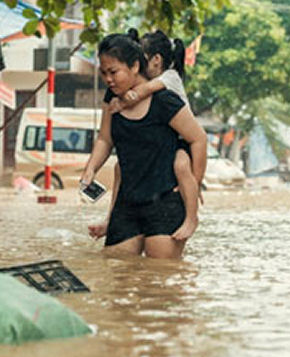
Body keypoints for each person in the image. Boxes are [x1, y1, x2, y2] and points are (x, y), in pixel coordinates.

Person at [80, 33, 206, 259]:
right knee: (116, 273)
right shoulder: (112, 100)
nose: (108, 79)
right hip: (127, 204)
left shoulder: (165, 100)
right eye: (104, 73)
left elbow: (199, 139)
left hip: (164, 203)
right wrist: (91, 169)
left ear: (135, 66)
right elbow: (105, 139)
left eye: (113, 72)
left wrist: (194, 184)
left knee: (159, 279)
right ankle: (110, 222)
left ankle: (190, 219)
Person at [106, 30, 202, 237]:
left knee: (181, 165)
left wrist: (123, 101)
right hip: (169, 141)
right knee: (119, 167)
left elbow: (143, 91)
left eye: (140, 57)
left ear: (156, 60)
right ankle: (110, 218)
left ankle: (192, 218)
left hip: (182, 142)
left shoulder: (170, 77)